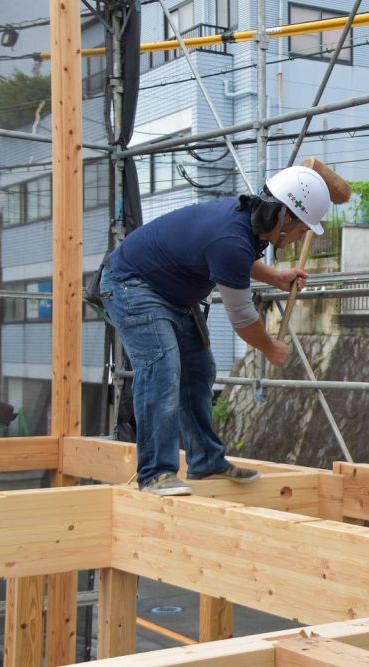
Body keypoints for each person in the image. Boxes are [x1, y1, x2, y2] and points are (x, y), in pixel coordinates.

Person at [100, 165, 332, 496]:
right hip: (131, 286)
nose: (298, 238)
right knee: (161, 368)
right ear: (284, 218)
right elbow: (243, 319)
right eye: (301, 229)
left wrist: (276, 278)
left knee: (199, 370)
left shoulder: (247, 228)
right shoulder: (232, 238)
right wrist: (269, 347)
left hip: (169, 293)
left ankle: (206, 460)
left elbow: (232, 260)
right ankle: (155, 474)